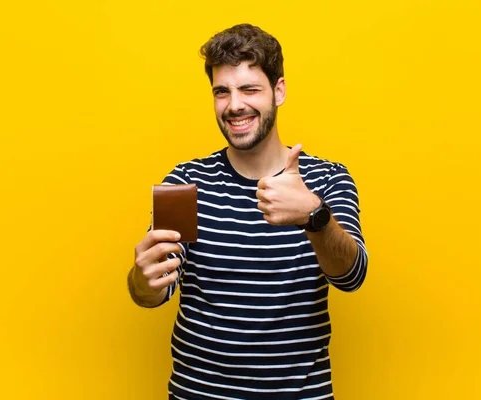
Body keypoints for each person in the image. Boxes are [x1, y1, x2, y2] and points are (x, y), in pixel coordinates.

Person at [128, 23, 368, 400]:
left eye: (249, 89)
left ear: (279, 90)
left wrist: (314, 217)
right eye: (222, 92)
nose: (234, 104)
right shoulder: (184, 182)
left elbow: (352, 276)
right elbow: (153, 293)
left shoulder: (327, 179)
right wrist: (142, 280)